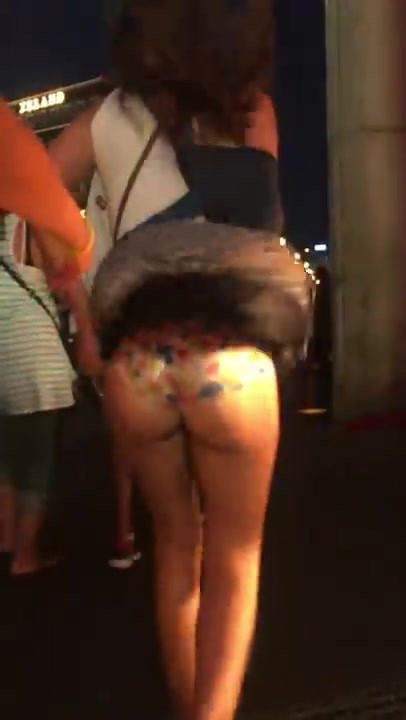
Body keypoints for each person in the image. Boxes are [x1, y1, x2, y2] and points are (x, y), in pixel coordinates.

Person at [48, 2, 310, 718]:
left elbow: (37, 194)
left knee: (175, 547)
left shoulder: (108, 116)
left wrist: (80, 298)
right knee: (235, 555)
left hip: (139, 362)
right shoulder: (252, 109)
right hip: (232, 359)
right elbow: (262, 228)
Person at [0, 100, 100, 575]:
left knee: (4, 457)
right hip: (33, 358)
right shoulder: (29, 217)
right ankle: (26, 555)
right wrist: (88, 331)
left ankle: (5, 541)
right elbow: (66, 276)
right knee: (35, 462)